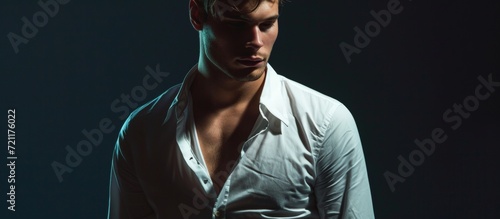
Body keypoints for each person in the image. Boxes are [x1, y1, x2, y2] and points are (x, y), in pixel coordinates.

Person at [107, 0, 375, 218]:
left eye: (267, 24)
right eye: (237, 25)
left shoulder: (326, 123)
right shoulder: (142, 132)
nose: (255, 41)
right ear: (197, 14)